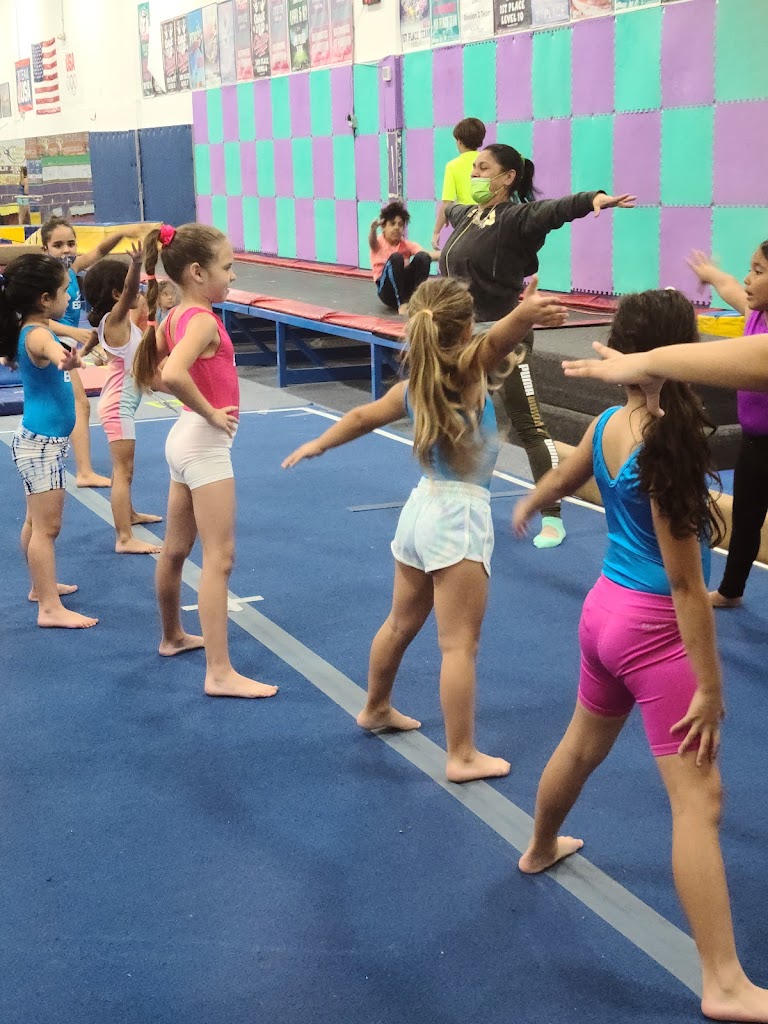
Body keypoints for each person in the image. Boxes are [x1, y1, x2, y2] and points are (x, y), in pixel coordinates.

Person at [514, 289, 768, 1024]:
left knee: (582, 744)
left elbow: (565, 476)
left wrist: (532, 501)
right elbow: (687, 584)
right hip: (654, 629)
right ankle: (723, 981)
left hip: (604, 612)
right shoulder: (668, 445)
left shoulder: (606, 423)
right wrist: (710, 686)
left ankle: (539, 846)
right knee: (699, 800)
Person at [283, 276, 567, 781]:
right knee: (459, 646)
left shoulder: (416, 386)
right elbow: (501, 339)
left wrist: (319, 443)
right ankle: (462, 755)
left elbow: (362, 415)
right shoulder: (468, 373)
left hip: (420, 509)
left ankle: (376, 706)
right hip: (458, 518)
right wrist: (525, 312)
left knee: (399, 624)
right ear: (466, 330)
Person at [439, 142, 635, 549]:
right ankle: (463, 502)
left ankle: (552, 514)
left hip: (506, 340)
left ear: (508, 177)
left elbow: (555, 210)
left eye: (483, 168)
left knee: (528, 424)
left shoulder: (518, 218)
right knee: (464, 420)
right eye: (473, 168)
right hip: (465, 341)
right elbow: (451, 208)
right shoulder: (468, 215)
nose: (474, 175)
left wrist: (592, 199)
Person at [133, 223, 278, 699]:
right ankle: (219, 673)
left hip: (184, 440)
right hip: (204, 444)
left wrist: (195, 408)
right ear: (197, 272)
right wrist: (209, 410)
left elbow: (150, 372)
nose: (233, 276)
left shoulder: (175, 315)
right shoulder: (200, 321)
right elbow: (173, 373)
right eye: (227, 267)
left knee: (176, 549)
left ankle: (172, 635)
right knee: (220, 558)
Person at [0, 253, 98, 629]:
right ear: (44, 298)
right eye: (64, 290)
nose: (69, 297)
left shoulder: (32, 324)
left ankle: (39, 588)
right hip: (41, 444)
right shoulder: (38, 335)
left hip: (38, 440)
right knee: (47, 528)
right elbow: (51, 348)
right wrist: (65, 359)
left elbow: (54, 332)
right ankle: (50, 608)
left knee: (34, 521)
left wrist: (73, 344)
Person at [687, 246, 768, 610]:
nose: (748, 278)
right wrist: (710, 274)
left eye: (759, 271)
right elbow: (731, 286)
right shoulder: (754, 314)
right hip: (754, 443)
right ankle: (731, 590)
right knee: (746, 521)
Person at [41, 216, 143, 489]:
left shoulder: (73, 269)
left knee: (64, 403)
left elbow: (100, 250)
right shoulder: (46, 278)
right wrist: (73, 333)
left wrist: (122, 232)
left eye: (71, 244)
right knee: (80, 404)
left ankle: (58, 455)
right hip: (53, 341)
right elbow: (37, 317)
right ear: (45, 249)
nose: (66, 250)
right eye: (58, 245)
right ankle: (84, 471)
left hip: (66, 344)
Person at [82, 247, 162, 555]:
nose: (137, 293)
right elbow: (129, 291)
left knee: (125, 470)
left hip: (118, 403)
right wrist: (136, 263)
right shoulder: (115, 321)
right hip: (118, 407)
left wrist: (83, 352)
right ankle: (124, 538)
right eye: (133, 288)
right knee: (123, 471)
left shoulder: (117, 323)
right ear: (118, 294)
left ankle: (129, 514)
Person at [369, 200, 438, 315]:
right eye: (392, 224)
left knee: (423, 257)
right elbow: (372, 242)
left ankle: (419, 300)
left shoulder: (406, 244)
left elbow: (428, 255)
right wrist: (373, 230)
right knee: (396, 258)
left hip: (405, 290)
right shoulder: (378, 243)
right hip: (387, 292)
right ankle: (402, 304)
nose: (397, 228)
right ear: (383, 227)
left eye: (400, 225)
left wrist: (451, 251)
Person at [431, 117, 486, 251]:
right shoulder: (487, 161)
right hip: (487, 217)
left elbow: (447, 203)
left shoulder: (453, 166)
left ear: (459, 141)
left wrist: (436, 231)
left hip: (465, 220)